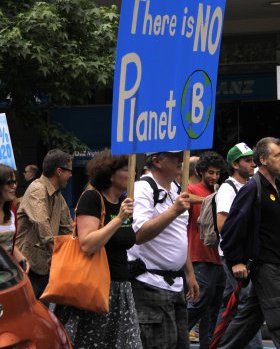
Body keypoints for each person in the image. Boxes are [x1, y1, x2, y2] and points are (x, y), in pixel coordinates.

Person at [55, 149, 142, 348]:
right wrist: (119, 218)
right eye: (126, 168)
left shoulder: (122, 202)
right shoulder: (92, 198)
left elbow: (128, 239)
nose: (133, 173)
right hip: (95, 288)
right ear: (109, 173)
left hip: (120, 289)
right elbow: (87, 244)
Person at [219, 137, 280, 349]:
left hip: (276, 263)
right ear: (262, 160)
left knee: (249, 319)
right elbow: (229, 229)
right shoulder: (252, 188)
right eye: (277, 155)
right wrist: (236, 261)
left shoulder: (277, 187)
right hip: (265, 266)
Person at [128, 150, 199, 349]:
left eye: (181, 156)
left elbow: (178, 236)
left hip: (175, 284)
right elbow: (139, 234)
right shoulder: (143, 187)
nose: (181, 160)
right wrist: (173, 210)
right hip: (150, 284)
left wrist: (190, 273)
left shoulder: (177, 188)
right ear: (157, 161)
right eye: (174, 156)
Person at [215, 143, 263, 349]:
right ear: (235, 164)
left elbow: (271, 158)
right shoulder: (228, 189)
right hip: (235, 258)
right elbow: (223, 227)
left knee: (230, 305)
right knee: (247, 305)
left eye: (254, 160)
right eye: (248, 160)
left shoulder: (250, 183)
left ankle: (216, 343)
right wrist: (237, 259)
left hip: (243, 256)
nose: (253, 164)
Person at [16, 149, 73, 298]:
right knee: (27, 316)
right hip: (27, 267)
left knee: (43, 315)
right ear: (59, 171)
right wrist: (59, 254)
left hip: (45, 266)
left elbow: (68, 227)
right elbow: (42, 223)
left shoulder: (57, 195)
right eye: (69, 171)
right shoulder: (37, 189)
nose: (71, 175)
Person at [187, 151, 226, 349]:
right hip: (199, 257)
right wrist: (210, 200)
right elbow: (183, 197)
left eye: (218, 173)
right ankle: (174, 336)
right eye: (210, 172)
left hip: (218, 258)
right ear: (200, 172)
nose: (214, 177)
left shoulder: (220, 191)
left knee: (212, 311)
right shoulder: (192, 188)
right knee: (197, 305)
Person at [0, 164, 29, 271]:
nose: (14, 186)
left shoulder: (12, 210)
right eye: (9, 183)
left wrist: (22, 259)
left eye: (15, 182)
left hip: (8, 275)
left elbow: (10, 244)